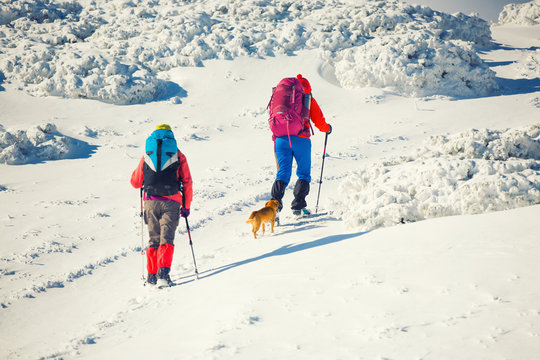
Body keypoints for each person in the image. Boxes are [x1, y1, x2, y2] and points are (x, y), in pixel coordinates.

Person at [130, 124, 193, 287]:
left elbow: (135, 183)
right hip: (171, 202)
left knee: (154, 239)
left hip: (150, 202)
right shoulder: (178, 154)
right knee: (167, 238)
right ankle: (163, 275)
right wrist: (186, 206)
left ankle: (151, 276)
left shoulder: (147, 155)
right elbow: (187, 182)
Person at [270, 74, 332, 217]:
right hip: (300, 139)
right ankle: (298, 207)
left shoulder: (282, 97)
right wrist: (327, 128)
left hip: (280, 139)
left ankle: (274, 209)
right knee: (303, 173)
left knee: (282, 174)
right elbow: (319, 122)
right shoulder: (308, 99)